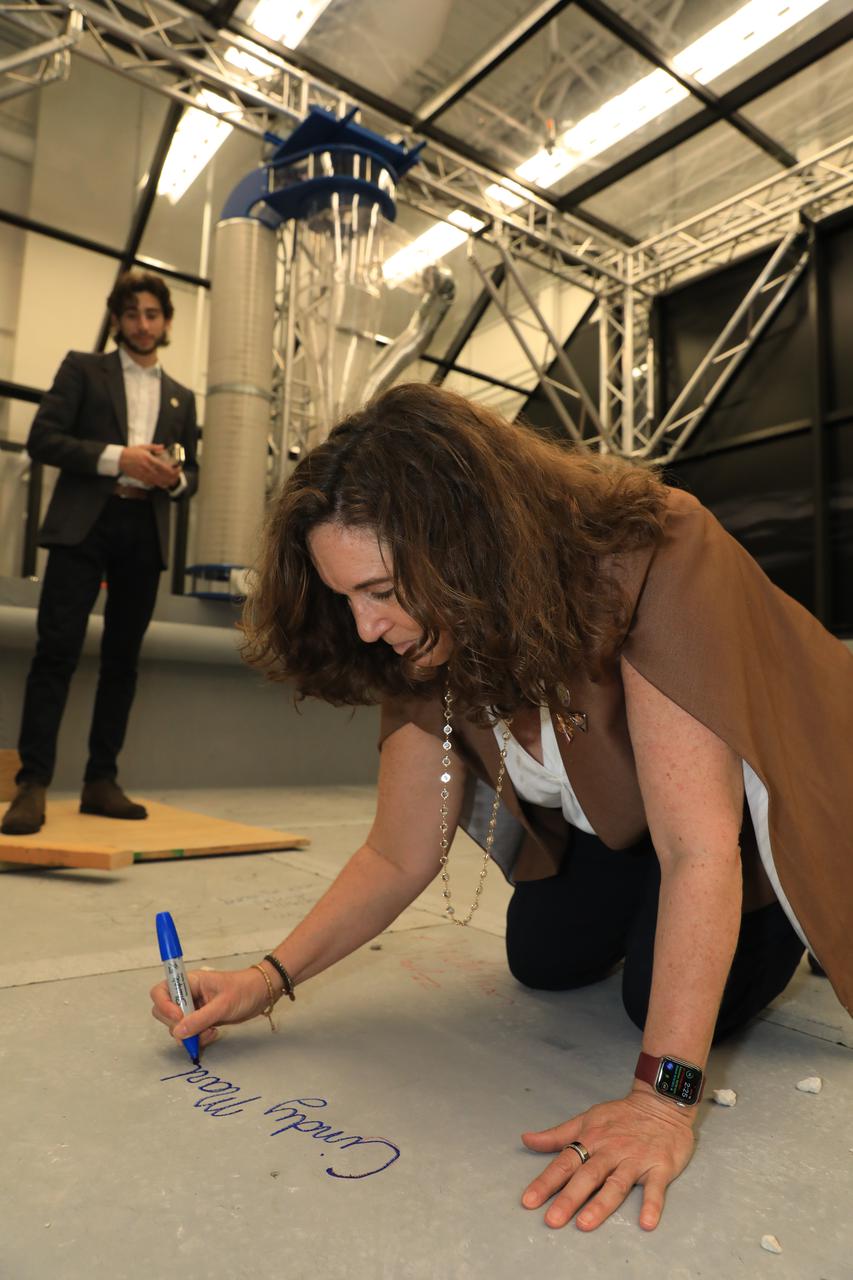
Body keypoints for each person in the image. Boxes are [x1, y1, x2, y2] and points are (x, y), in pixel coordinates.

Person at [150, 383, 852, 1233]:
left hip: (735, 828)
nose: (366, 627)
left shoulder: (653, 551)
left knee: (650, 1009)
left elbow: (698, 847)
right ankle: (656, 926)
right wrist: (266, 980)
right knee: (542, 957)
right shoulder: (424, 631)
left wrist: (661, 1101)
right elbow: (397, 854)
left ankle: (774, 914)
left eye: (378, 589)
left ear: (465, 551)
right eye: (345, 598)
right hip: (619, 826)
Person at [2, 271, 199, 837]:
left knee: (122, 663)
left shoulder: (182, 397)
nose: (143, 323)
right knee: (55, 652)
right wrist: (120, 458)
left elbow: (194, 477)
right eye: (132, 313)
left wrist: (173, 478)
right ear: (117, 319)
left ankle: (100, 782)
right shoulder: (82, 369)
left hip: (143, 529)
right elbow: (43, 438)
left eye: (152, 314)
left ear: (165, 322)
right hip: (84, 525)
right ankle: (32, 785)